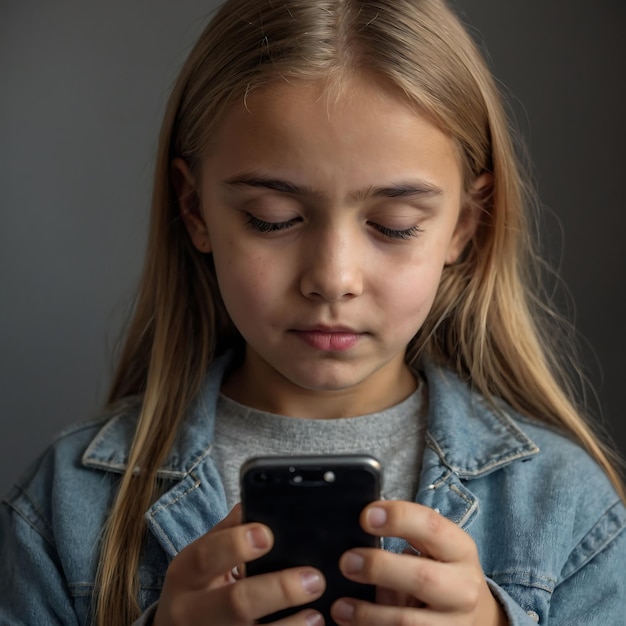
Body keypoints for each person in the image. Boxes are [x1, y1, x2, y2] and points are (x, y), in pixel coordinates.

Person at [1, 0, 624, 624]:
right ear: (194, 210)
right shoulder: (64, 504)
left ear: (464, 224)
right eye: (273, 219)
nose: (333, 278)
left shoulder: (569, 509)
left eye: (394, 226)